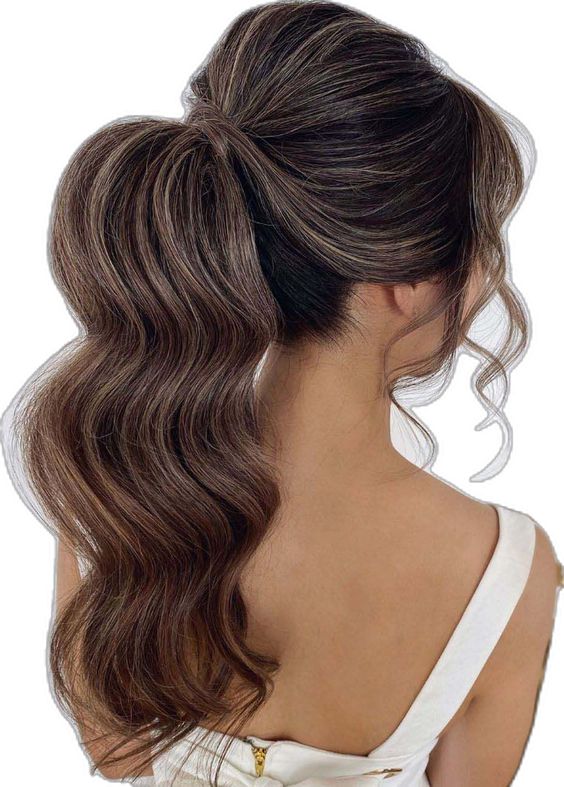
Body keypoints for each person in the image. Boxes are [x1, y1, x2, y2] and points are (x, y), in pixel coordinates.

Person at [3, 2, 562, 785]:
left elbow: (116, 751)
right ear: (406, 280)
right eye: (478, 242)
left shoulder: (114, 486)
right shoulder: (506, 569)